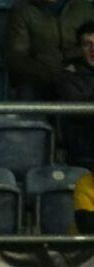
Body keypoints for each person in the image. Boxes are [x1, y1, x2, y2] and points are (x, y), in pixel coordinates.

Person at [5, 0, 94, 99]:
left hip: (80, 76)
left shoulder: (84, 7)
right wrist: (51, 74)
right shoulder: (23, 10)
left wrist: (78, 68)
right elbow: (17, 56)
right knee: (27, 91)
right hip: (40, 79)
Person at [57, 21, 94, 166]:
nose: (93, 49)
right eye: (87, 44)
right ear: (80, 49)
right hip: (84, 149)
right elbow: (78, 111)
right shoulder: (68, 75)